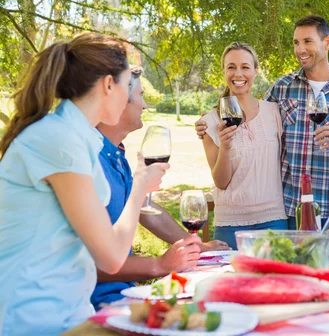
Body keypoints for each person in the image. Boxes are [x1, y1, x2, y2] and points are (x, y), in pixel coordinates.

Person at [0, 34, 168, 335]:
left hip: (73, 313)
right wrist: (140, 185)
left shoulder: (79, 137)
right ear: (107, 85)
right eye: (127, 83)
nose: (133, 97)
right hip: (36, 320)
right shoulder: (58, 139)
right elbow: (112, 257)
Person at [196, 16, 329, 250]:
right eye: (296, 42)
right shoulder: (282, 88)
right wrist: (208, 123)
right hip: (291, 211)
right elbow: (248, 114)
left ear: (328, 42)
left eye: (307, 41)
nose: (300, 49)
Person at [91, 66, 229, 310]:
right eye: (141, 96)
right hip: (95, 303)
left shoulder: (116, 154)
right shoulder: (90, 160)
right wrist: (161, 264)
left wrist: (196, 245)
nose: (145, 105)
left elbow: (145, 209)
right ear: (119, 100)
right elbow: (91, 264)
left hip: (123, 292)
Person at [200, 42, 288, 248]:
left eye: (245, 67)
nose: (238, 73)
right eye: (231, 67)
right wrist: (226, 145)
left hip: (274, 220)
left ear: (256, 71)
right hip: (231, 225)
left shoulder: (274, 112)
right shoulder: (211, 121)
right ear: (223, 71)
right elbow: (221, 182)